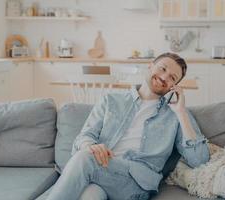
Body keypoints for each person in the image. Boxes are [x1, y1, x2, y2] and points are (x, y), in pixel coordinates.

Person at [46, 52, 210, 200]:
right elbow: (85, 136)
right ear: (150, 66)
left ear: (174, 86)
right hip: (101, 172)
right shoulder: (110, 100)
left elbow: (200, 160)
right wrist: (90, 146)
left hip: (135, 183)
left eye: (173, 78)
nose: (164, 77)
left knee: (85, 157)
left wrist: (181, 112)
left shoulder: (175, 114)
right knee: (90, 194)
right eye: (162, 69)